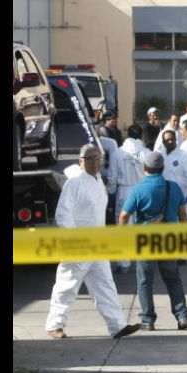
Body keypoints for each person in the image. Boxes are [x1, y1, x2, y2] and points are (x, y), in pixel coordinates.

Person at [44, 144, 140, 340]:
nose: (95, 162)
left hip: (98, 244)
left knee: (105, 285)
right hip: (78, 245)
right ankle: (55, 325)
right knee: (66, 287)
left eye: (98, 158)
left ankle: (118, 326)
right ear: (81, 161)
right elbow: (63, 214)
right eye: (90, 158)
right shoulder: (75, 183)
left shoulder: (98, 182)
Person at [119, 151, 187, 331]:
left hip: (145, 243)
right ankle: (182, 316)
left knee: (144, 281)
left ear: (144, 169)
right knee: (173, 279)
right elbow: (183, 215)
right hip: (169, 241)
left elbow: (124, 216)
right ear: (162, 168)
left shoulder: (137, 190)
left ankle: (148, 320)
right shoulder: (173, 187)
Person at [107, 124, 150, 273]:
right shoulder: (146, 153)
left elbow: (112, 175)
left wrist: (111, 191)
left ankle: (124, 263)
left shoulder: (118, 153)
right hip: (142, 191)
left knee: (124, 227)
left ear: (127, 135)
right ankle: (143, 260)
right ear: (141, 136)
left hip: (124, 191)